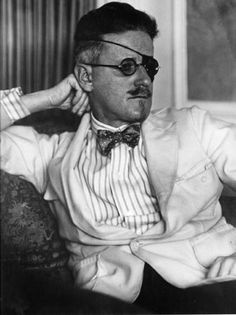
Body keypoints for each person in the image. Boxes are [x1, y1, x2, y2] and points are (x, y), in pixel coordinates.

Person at [1, 2, 236, 313]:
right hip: (113, 299)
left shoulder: (195, 126)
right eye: (127, 66)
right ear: (86, 76)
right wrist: (44, 99)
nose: (143, 80)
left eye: (148, 67)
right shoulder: (50, 151)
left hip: (210, 283)